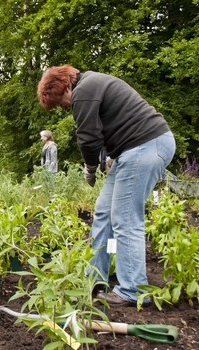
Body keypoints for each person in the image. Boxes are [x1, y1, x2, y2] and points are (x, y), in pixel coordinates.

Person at [37, 64, 175, 307]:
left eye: (61, 102)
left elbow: (88, 138)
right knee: (103, 212)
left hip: (146, 145)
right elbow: (107, 129)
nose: (64, 107)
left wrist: (90, 169)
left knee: (125, 218)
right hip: (131, 151)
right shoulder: (91, 84)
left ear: (65, 86)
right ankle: (95, 278)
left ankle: (132, 290)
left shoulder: (84, 91)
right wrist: (109, 157)